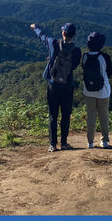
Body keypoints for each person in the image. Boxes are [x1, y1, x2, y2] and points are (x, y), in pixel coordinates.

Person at [30, 21, 81, 152]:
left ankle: (52, 144)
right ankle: (64, 143)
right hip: (67, 86)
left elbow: (42, 36)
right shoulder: (77, 51)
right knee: (65, 114)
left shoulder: (53, 44)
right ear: (73, 35)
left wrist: (35, 27)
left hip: (53, 85)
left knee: (53, 114)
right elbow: (73, 66)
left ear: (63, 33)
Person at [81, 32, 112, 149]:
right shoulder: (104, 57)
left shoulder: (85, 56)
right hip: (103, 91)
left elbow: (84, 68)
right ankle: (104, 141)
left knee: (91, 116)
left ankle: (90, 142)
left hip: (88, 90)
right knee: (103, 115)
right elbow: (109, 73)